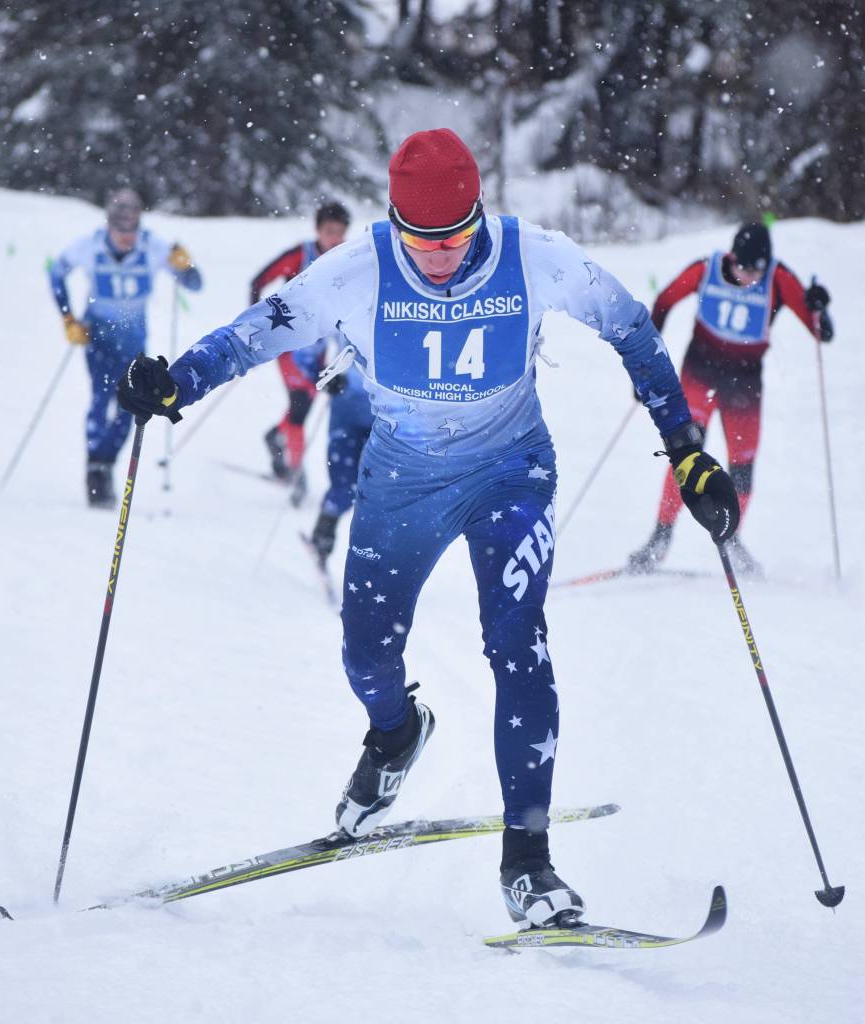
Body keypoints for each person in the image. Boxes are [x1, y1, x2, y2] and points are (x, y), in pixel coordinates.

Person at [116, 129, 739, 926]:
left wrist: (685, 451)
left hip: (512, 472)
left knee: (519, 642)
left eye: (455, 238)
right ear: (394, 225)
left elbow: (631, 328)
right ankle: (396, 732)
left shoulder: (532, 255)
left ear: (480, 215)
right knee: (365, 652)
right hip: (402, 482)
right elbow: (265, 325)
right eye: (421, 241)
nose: (440, 257)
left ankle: (529, 860)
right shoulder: (359, 267)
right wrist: (180, 380)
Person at [628, 222, 833, 574]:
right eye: (741, 265)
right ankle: (659, 538)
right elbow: (663, 302)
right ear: (732, 256)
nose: (746, 275)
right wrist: (646, 363)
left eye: (755, 269)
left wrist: (819, 307)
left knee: (742, 468)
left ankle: (730, 535)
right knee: (685, 457)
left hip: (744, 387)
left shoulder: (779, 279)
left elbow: (821, 332)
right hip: (699, 374)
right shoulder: (706, 269)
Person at [49, 187, 203, 506]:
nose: (125, 239)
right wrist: (68, 318)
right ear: (109, 225)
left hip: (134, 344)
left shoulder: (152, 246)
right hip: (97, 337)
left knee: (129, 405)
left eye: (130, 231)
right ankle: (95, 466)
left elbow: (194, 284)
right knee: (100, 398)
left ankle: (105, 465)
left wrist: (185, 266)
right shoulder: (90, 246)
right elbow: (56, 273)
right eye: (119, 231)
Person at [249, 202, 351, 489]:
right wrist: (257, 322)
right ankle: (296, 473)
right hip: (289, 346)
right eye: (329, 231)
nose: (335, 239)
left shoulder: (344, 260)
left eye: (340, 233)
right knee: (301, 407)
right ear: (317, 230)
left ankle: (276, 436)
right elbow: (258, 281)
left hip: (318, 350)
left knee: (303, 405)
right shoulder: (300, 255)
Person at [292, 341, 375, 570]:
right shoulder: (349, 305)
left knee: (383, 490)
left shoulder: (408, 308)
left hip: (391, 416)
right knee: (343, 484)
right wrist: (320, 373)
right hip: (347, 407)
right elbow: (309, 337)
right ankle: (322, 537)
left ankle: (379, 563)